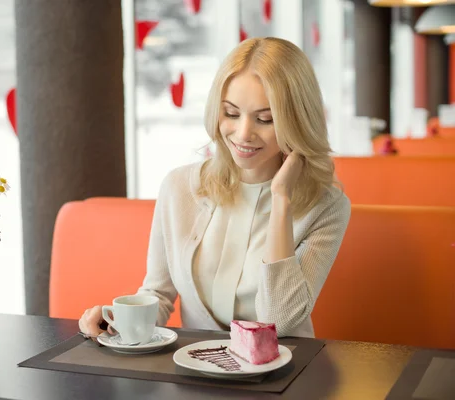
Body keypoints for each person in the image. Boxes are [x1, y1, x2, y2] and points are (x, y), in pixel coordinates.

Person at [79, 37, 351, 339]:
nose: (243, 133)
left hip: (283, 374)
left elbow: (280, 322)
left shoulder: (327, 207)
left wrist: (281, 200)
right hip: (198, 369)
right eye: (231, 113)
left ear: (296, 121)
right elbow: (159, 295)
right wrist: (116, 319)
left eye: (265, 119)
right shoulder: (179, 187)